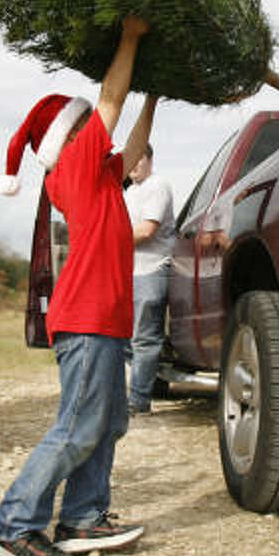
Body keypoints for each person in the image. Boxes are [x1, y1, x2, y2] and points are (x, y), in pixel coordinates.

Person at [0, 15, 154, 556]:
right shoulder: (74, 166)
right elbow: (111, 99)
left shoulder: (100, 174)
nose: (98, 129)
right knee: (79, 425)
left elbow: (132, 148)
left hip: (105, 320)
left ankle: (82, 518)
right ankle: (12, 525)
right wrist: (130, 38)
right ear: (70, 136)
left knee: (107, 425)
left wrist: (155, 97)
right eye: (87, 123)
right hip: (85, 318)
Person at [123, 143, 175, 416]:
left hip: (152, 270)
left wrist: (107, 239)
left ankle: (138, 402)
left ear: (150, 160)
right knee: (121, 337)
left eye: (138, 158)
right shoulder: (130, 191)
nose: (133, 164)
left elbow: (146, 231)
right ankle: (152, 379)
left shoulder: (158, 185)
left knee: (144, 339)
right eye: (129, 159)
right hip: (130, 271)